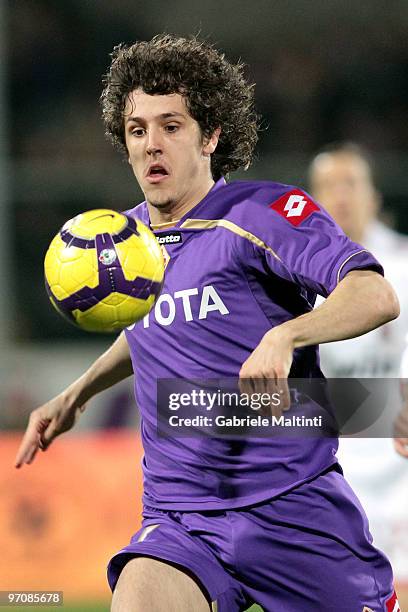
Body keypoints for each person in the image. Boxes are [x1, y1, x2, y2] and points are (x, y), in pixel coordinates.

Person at [15, 36, 401, 612]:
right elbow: (151, 328)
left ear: (211, 135)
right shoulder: (122, 244)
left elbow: (374, 293)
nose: (152, 145)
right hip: (181, 519)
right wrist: (76, 393)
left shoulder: (261, 215)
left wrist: (285, 334)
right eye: (137, 129)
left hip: (294, 506)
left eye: (171, 125)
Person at [309, 142, 408, 582]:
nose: (341, 196)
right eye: (328, 186)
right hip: (334, 467)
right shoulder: (297, 276)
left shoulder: (403, 266)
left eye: (350, 183)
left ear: (374, 197)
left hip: (400, 462)